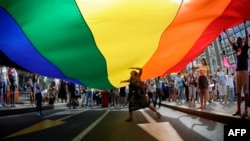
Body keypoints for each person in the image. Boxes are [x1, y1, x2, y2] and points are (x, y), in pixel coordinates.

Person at [224, 20, 249, 117]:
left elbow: (247, 37)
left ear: (242, 41)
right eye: (237, 40)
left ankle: (245, 110)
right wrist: (226, 32)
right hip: (237, 72)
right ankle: (238, 109)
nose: (238, 41)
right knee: (238, 92)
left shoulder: (245, 47)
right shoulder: (236, 48)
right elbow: (230, 42)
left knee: (246, 91)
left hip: (244, 71)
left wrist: (244, 26)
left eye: (240, 40)